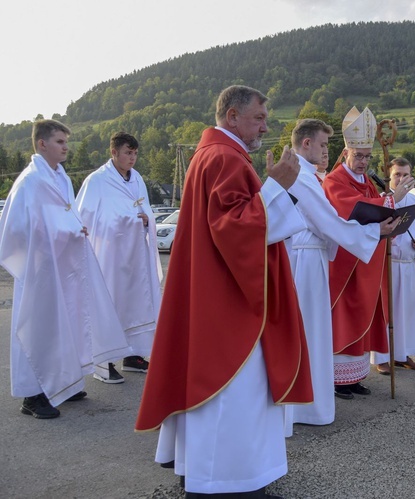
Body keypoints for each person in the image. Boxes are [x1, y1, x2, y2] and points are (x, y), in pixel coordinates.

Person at [135, 85, 313, 498]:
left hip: (216, 289)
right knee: (236, 388)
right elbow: (235, 228)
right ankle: (228, 481)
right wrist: (278, 188)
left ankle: (203, 470)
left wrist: (272, 188)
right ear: (232, 117)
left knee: (225, 390)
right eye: (259, 117)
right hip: (231, 299)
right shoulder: (223, 158)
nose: (265, 126)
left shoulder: (215, 155)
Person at [0, 119, 131, 419]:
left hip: (64, 266)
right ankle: (31, 395)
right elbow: (16, 230)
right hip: (39, 271)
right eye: (60, 142)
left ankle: (64, 383)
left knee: (66, 325)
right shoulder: (30, 182)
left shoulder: (62, 179)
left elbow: (65, 216)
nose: (66, 147)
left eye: (66, 142)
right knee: (38, 330)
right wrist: (59, 235)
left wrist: (75, 229)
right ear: (42, 143)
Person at [283, 118, 397, 435]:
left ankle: (308, 403)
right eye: (323, 144)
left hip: (314, 257)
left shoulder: (306, 176)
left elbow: (329, 224)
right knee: (309, 333)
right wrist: (375, 229)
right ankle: (303, 405)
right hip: (305, 263)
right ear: (306, 143)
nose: (325, 152)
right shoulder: (303, 179)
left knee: (312, 334)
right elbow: (330, 222)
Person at [322, 106, 414, 400]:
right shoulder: (335, 180)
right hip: (347, 264)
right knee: (345, 316)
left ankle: (355, 376)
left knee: (364, 316)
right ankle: (337, 379)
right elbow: (350, 210)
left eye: (367, 156)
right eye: (358, 156)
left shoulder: (368, 181)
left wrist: (391, 207)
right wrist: (391, 199)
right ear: (346, 152)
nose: (363, 162)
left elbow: (374, 205)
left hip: (368, 262)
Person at [75, 132, 162, 384]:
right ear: (113, 153)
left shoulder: (137, 179)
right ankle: (103, 362)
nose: (132, 158)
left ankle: (132, 355)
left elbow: (146, 211)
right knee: (109, 303)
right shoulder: (97, 181)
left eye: (135, 153)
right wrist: (122, 221)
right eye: (127, 153)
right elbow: (85, 218)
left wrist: (148, 221)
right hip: (109, 256)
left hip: (136, 259)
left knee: (135, 305)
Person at [372, 157, 415, 374]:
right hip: (386, 265)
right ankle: (381, 357)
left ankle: (402, 354)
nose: (402, 179)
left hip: (408, 265)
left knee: (406, 311)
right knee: (386, 311)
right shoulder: (382, 200)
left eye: (406, 175)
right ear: (389, 176)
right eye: (397, 174)